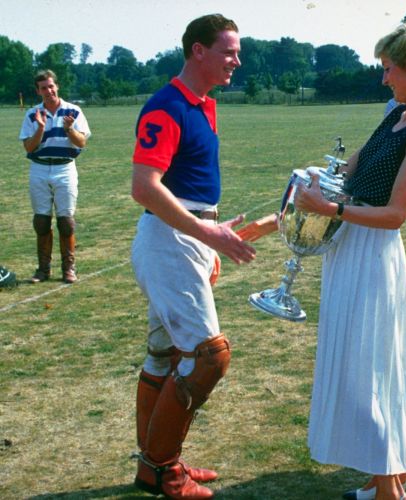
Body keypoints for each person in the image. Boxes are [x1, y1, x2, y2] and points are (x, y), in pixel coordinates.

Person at [255, 22, 406, 500]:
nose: (384, 78)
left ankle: (390, 490)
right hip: (350, 245)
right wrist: (317, 178)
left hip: (374, 254)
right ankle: (381, 474)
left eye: (388, 69)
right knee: (361, 363)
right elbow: (354, 168)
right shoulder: (397, 115)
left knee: (370, 367)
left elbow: (395, 215)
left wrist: (328, 208)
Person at [129, 14, 267, 499]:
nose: (237, 61)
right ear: (198, 51)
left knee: (166, 354)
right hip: (168, 241)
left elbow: (190, 188)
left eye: (238, 52)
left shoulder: (204, 104)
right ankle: (163, 469)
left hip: (187, 237)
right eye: (229, 51)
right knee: (209, 357)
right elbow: (144, 188)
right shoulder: (167, 106)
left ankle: (155, 466)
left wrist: (210, 237)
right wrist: (204, 233)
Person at [19, 69, 91, 284]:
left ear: (56, 86)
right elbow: (29, 147)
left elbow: (82, 143)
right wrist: (41, 128)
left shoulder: (74, 111)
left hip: (65, 169)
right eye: (43, 88)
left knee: (66, 221)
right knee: (41, 220)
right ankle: (43, 269)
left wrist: (69, 129)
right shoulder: (32, 114)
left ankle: (69, 268)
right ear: (38, 91)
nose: (48, 91)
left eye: (51, 86)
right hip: (40, 168)